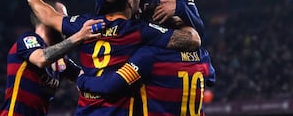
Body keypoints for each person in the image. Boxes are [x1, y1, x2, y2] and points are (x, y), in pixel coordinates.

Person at [27, 0, 201, 116]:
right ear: (130, 1)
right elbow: (193, 40)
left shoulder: (84, 24)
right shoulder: (140, 30)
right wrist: (177, 11)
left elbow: (48, 16)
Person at [0, 0, 103, 116]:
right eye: (62, 18)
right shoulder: (28, 39)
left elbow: (84, 76)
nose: (66, 23)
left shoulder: (61, 60)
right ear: (45, 18)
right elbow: (41, 59)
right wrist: (78, 37)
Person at [77, 44, 215, 116]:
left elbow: (111, 86)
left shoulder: (149, 55)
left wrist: (82, 79)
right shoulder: (203, 56)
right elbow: (211, 79)